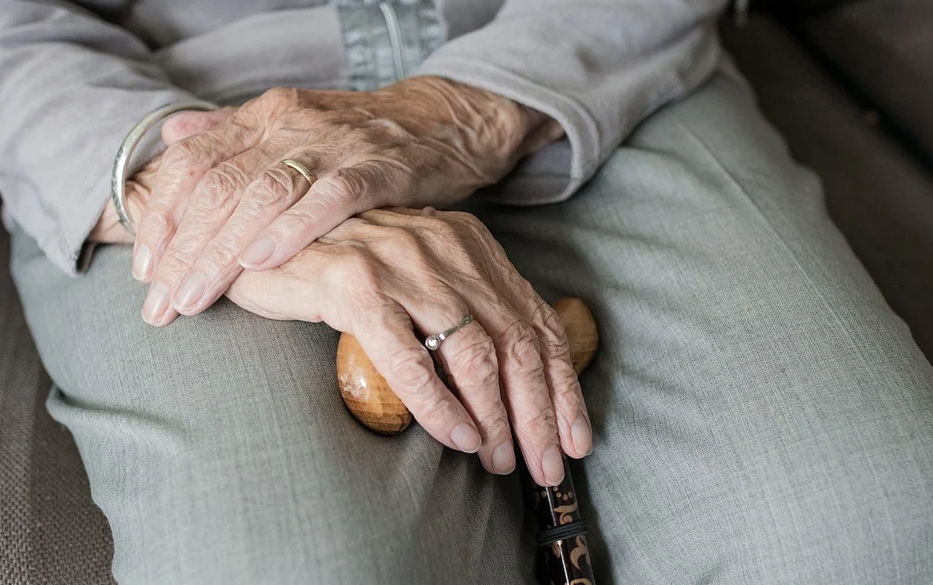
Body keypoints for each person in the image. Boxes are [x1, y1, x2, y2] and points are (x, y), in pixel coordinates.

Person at [2, 0, 932, 583]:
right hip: (160, 113)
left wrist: (460, 110)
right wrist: (196, 187)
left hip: (591, 60)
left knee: (875, 525)